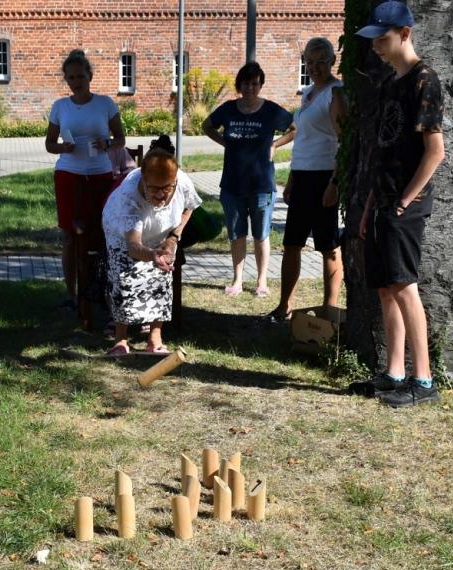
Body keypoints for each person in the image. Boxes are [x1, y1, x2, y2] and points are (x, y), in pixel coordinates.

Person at [354, 1, 446, 407]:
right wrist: (374, 200)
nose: (375, 44)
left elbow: (435, 151)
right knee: (386, 289)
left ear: (405, 33)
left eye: (383, 37)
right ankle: (394, 373)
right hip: (383, 201)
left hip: (406, 204)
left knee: (405, 286)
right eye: (373, 37)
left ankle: (423, 381)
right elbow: (385, 147)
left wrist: (405, 200)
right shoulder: (392, 82)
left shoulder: (425, 80)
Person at [266, 37, 347, 323]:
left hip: (324, 177)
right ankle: (284, 306)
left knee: (327, 245)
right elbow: (303, 136)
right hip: (302, 177)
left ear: (331, 62)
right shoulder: (309, 92)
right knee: (292, 243)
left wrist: (335, 184)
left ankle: (330, 309)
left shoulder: (336, 93)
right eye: (309, 62)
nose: (314, 68)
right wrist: (290, 180)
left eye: (320, 62)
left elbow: (344, 141)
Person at [203, 62, 295, 297]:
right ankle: (237, 280)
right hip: (233, 182)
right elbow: (207, 125)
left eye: (255, 83)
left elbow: (295, 128)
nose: (250, 88)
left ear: (261, 85)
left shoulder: (272, 111)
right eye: (246, 83)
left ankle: (262, 280)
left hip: (262, 183)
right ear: (239, 85)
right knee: (237, 234)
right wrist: (224, 142)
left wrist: (275, 144)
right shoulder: (228, 109)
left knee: (261, 234)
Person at [102, 141, 202, 356]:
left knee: (162, 278)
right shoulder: (128, 199)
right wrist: (151, 254)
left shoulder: (181, 182)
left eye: (167, 188)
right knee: (124, 278)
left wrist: (173, 238)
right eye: (154, 189)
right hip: (124, 237)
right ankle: (121, 340)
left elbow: (189, 207)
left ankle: (155, 338)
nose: (161, 195)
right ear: (143, 181)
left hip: (162, 232)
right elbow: (133, 246)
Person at [45, 49, 126, 308]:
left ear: (90, 76)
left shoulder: (105, 104)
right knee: (69, 235)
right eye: (71, 78)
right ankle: (71, 293)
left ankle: (100, 288)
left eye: (80, 76)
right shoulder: (60, 106)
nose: (76, 82)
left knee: (101, 233)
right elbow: (49, 144)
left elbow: (121, 139)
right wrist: (62, 148)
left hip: (100, 175)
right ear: (66, 80)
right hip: (68, 174)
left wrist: (108, 143)